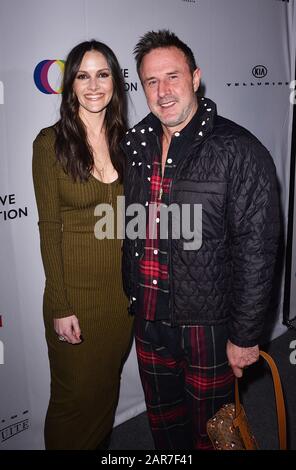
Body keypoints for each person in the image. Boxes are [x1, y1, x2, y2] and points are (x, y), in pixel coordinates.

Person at [122, 30, 280, 450]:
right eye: (151, 82)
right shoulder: (136, 145)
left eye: (172, 76)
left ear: (195, 77)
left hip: (207, 324)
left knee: (212, 431)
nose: (163, 91)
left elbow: (258, 250)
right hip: (150, 315)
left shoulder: (239, 149)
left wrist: (246, 335)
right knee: (164, 425)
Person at [32, 40, 133, 450]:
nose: (94, 85)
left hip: (122, 299)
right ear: (70, 83)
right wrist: (60, 304)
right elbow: (48, 226)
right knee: (73, 404)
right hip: (74, 300)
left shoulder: (129, 141)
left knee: (105, 395)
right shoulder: (50, 144)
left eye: (103, 74)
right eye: (83, 75)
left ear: (115, 82)